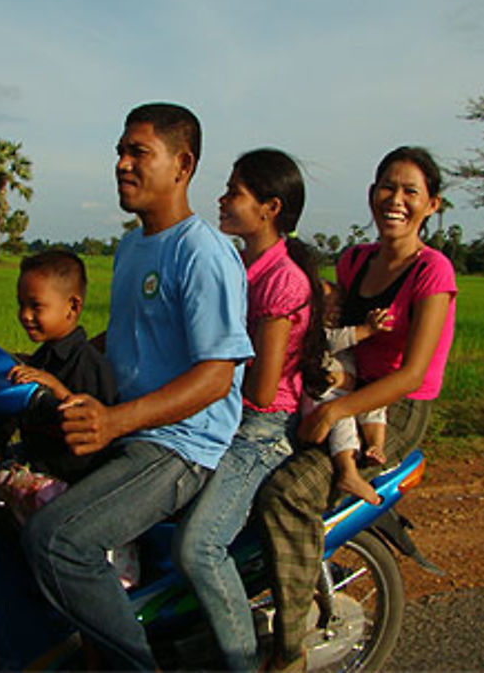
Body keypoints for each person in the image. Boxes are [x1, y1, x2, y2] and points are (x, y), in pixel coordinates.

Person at [21, 103, 255, 671]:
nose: (122, 164)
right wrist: (47, 360)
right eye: (120, 153)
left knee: (60, 538)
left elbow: (215, 375)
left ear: (182, 165)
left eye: (138, 153)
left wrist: (115, 421)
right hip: (133, 427)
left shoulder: (200, 251)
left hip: (179, 443)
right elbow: (121, 337)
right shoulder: (132, 248)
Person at [256, 145, 458, 670]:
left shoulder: (432, 273)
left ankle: (290, 646)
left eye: (410, 191)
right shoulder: (355, 259)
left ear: (431, 205)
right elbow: (333, 333)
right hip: (345, 386)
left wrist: (333, 413)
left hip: (394, 407)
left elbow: (413, 373)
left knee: (287, 491)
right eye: (386, 187)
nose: (395, 199)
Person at [172, 149, 329, 671]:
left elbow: (262, 390)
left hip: (260, 429)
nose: (222, 197)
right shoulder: (238, 264)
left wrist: (191, 394)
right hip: (224, 415)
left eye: (235, 190)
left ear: (270, 208)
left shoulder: (281, 280)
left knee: (198, 548)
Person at [4, 249, 119, 484]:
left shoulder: (88, 364)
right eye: (21, 305)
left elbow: (96, 428)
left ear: (73, 307)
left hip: (71, 481)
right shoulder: (39, 359)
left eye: (36, 306)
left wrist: (56, 388)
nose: (25, 315)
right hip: (35, 464)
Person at [310, 284, 394, 505]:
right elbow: (332, 340)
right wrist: (367, 329)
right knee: (340, 414)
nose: (333, 309)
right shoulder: (315, 335)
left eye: (338, 304)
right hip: (324, 400)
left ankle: (375, 445)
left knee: (374, 402)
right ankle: (347, 471)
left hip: (345, 394)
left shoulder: (346, 339)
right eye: (326, 304)